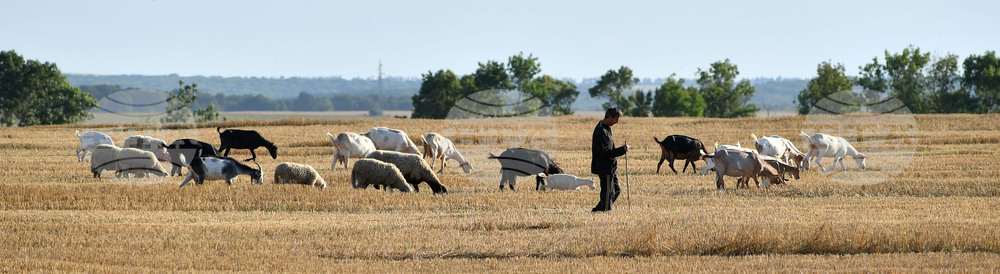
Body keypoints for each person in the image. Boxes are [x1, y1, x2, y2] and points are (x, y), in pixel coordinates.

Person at [591, 107, 629, 212]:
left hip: (610, 167)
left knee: (616, 190)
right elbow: (605, 153)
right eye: (616, 119)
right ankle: (606, 211)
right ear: (609, 118)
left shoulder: (606, 128)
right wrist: (622, 150)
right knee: (608, 192)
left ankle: (598, 209)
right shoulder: (601, 131)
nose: (617, 122)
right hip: (604, 167)